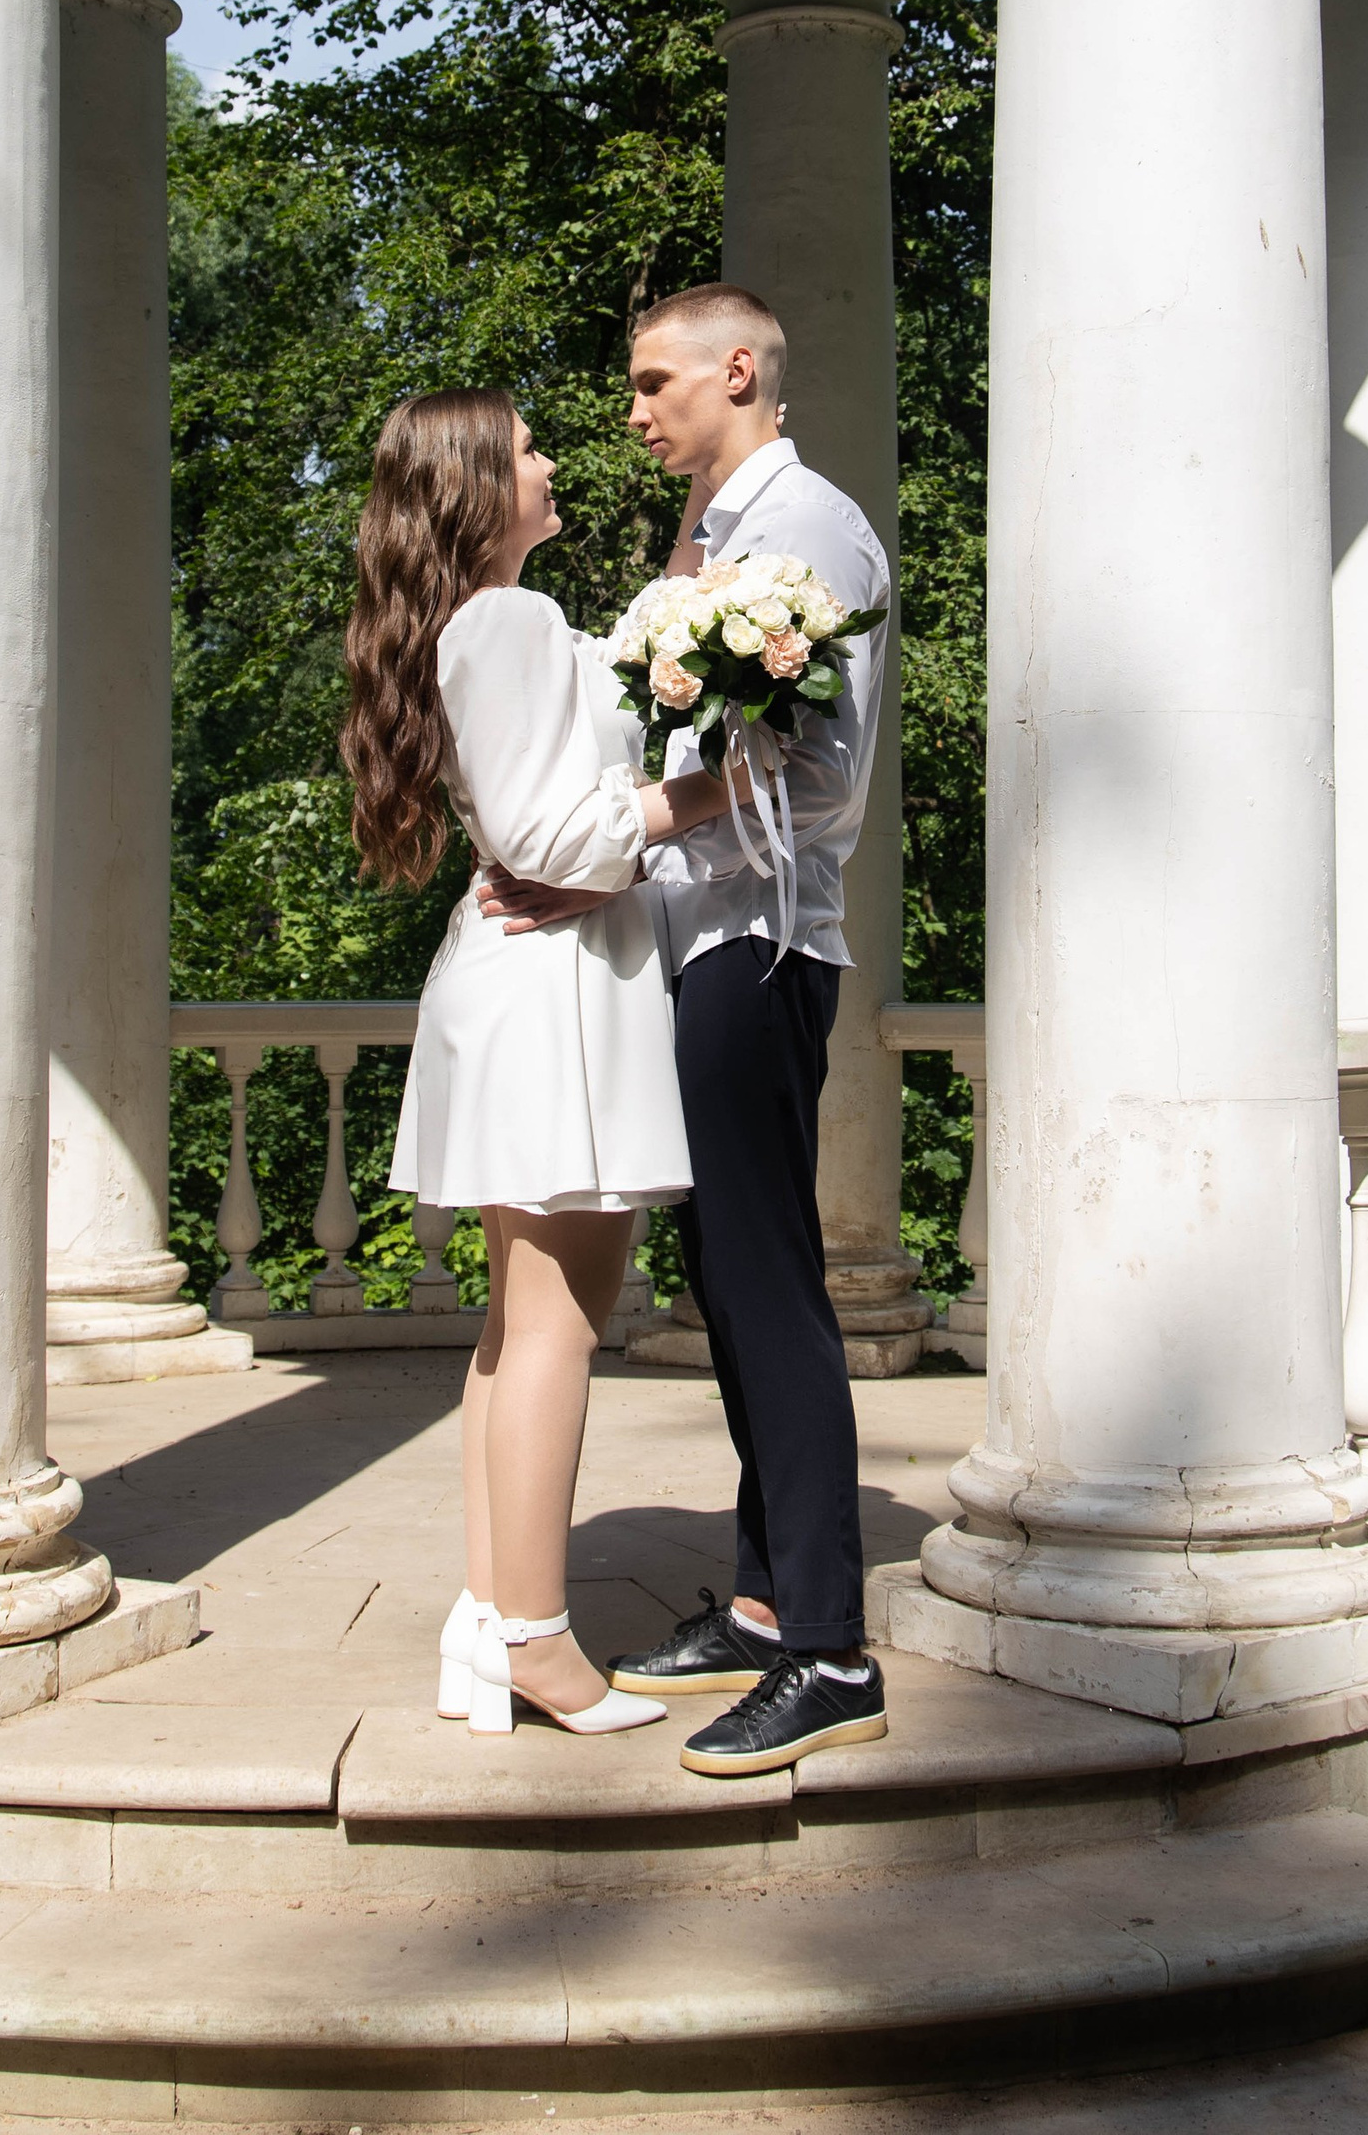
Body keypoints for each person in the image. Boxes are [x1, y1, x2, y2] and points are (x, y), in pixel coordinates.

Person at [477, 287, 890, 1775]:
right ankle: (773, 1603)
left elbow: (827, 784)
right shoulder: (714, 543)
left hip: (763, 943)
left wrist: (631, 848)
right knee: (724, 1277)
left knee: (769, 1283)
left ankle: (834, 1651)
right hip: (691, 940)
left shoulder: (813, 532)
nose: (635, 413)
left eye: (653, 384)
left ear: (738, 372)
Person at [346, 389, 728, 1736]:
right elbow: (545, 839)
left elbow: (607, 688)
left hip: (540, 990)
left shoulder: (516, 622)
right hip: (553, 997)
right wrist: (711, 796)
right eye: (527, 452)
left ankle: (491, 1614)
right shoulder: (499, 622)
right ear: (473, 491)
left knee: (520, 1330)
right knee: (559, 1327)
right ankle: (536, 1638)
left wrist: (698, 556)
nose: (554, 460)